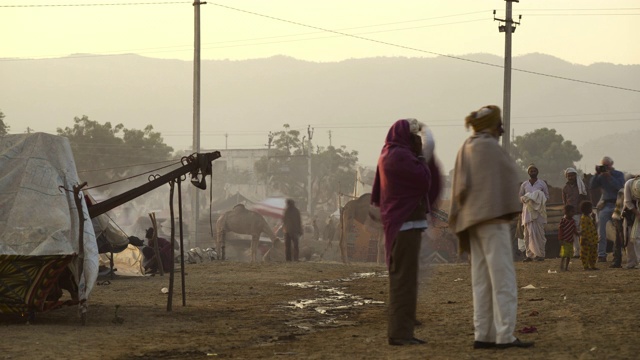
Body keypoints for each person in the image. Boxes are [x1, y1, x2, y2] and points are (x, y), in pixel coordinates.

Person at [449, 105, 533, 350]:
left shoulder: (467, 145)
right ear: (493, 126)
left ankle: (483, 334)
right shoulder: (489, 147)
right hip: (492, 221)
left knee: (481, 281)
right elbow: (508, 178)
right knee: (503, 280)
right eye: (499, 124)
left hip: (472, 222)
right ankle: (505, 335)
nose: (502, 129)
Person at [371, 118, 441, 346]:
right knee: (404, 281)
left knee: (404, 279)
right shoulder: (400, 156)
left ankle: (402, 330)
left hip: (401, 225)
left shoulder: (388, 154)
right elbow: (423, 180)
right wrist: (422, 155)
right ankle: (401, 333)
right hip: (405, 225)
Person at [589, 156, 625, 262]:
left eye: (606, 166)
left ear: (611, 165)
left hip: (618, 204)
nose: (605, 168)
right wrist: (596, 174)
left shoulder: (618, 174)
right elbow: (592, 186)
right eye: (603, 166)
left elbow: (620, 186)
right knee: (601, 230)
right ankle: (601, 254)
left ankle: (618, 253)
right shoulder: (601, 177)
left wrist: (610, 177)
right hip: (606, 204)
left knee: (619, 230)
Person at [519, 164, 549, 262]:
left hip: (539, 212)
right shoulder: (524, 184)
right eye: (531, 171)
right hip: (528, 212)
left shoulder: (542, 183)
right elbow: (520, 197)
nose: (533, 172)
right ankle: (529, 255)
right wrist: (528, 199)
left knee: (539, 234)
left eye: (534, 170)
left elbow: (546, 196)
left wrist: (537, 198)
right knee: (527, 234)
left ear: (537, 172)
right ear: (528, 173)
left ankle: (540, 254)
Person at [562, 168, 589, 256]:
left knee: (583, 232)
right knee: (573, 233)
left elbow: (587, 198)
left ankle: (583, 251)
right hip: (571, 214)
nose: (570, 177)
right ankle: (576, 252)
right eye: (569, 176)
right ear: (566, 177)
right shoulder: (565, 188)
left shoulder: (582, 186)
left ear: (575, 176)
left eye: (572, 175)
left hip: (580, 212)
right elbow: (565, 202)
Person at [623, 177, 640, 268]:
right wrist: (637, 213)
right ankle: (631, 262)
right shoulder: (629, 184)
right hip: (630, 214)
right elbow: (627, 202)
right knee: (630, 238)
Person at [558, 205, 579, 271]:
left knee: (569, 255)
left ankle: (566, 267)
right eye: (572, 212)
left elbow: (574, 230)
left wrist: (578, 234)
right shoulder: (563, 221)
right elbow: (560, 230)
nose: (573, 213)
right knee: (564, 254)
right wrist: (560, 239)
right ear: (567, 212)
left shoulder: (573, 221)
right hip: (565, 240)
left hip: (570, 240)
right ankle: (562, 265)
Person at [579, 201, 599, 270]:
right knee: (585, 253)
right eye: (590, 208)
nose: (591, 209)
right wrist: (584, 238)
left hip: (592, 239)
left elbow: (593, 226)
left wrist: (594, 218)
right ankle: (586, 266)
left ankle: (592, 265)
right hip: (587, 239)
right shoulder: (584, 218)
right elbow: (584, 229)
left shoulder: (589, 217)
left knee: (593, 253)